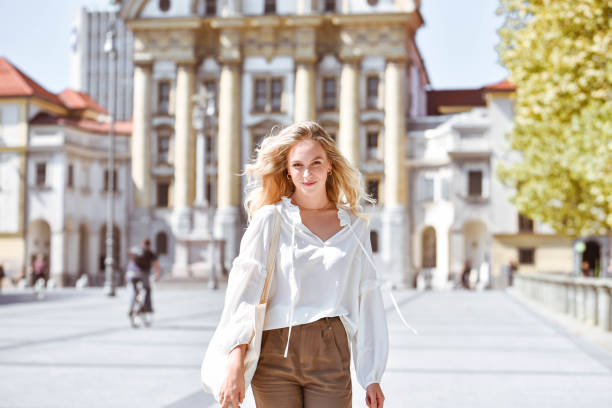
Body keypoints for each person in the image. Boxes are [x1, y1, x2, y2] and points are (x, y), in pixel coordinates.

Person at [212, 122, 393, 408]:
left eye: (316, 163)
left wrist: (372, 374)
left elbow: (366, 297)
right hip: (275, 351)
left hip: (330, 350)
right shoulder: (270, 219)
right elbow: (243, 295)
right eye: (298, 165)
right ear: (287, 170)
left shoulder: (355, 227)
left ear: (330, 166)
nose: (307, 174)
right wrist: (235, 361)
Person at [127, 239, 161, 323]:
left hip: (131, 273)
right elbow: (156, 265)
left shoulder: (136, 250)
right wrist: (157, 274)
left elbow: (129, 252)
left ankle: (131, 308)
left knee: (134, 291)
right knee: (147, 289)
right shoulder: (150, 252)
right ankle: (147, 307)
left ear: (142, 244)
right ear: (149, 245)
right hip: (143, 273)